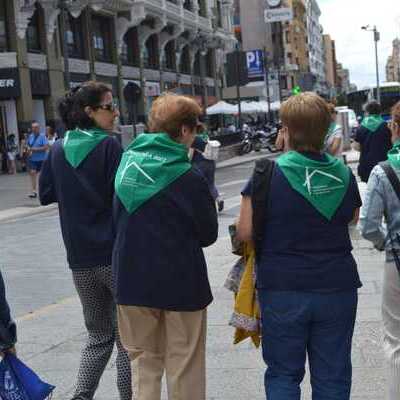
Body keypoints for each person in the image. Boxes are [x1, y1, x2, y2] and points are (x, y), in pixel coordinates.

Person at [237, 92, 362, 400]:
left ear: (287, 129)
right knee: (333, 376)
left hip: (281, 287)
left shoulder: (267, 173)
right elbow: (352, 218)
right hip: (337, 285)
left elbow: (245, 231)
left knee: (283, 374)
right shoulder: (344, 174)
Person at [113, 93, 218, 400]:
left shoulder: (125, 164)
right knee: (184, 366)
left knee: (144, 367)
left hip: (131, 281)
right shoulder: (188, 175)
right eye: (196, 128)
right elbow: (208, 234)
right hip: (181, 284)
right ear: (184, 131)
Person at [39, 81, 132, 400]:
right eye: (109, 106)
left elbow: (45, 194)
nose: (115, 112)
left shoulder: (58, 148)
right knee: (127, 340)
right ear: (89, 112)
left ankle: (81, 395)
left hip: (79, 259)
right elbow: (123, 196)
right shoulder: (109, 146)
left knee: (98, 336)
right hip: (114, 256)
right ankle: (128, 396)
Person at [359, 101, 400, 400]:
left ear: (395, 128)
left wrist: (386, 242)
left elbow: (369, 226)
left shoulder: (384, 172)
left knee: (397, 340)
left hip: (397, 261)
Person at [353, 100, 392, 182]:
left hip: (367, 167)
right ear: (379, 112)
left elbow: (356, 147)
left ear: (367, 112)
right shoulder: (387, 126)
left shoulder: (361, 127)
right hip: (385, 166)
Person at [191, 134, 224, 212]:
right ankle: (219, 199)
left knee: (197, 185)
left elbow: (190, 155)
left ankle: (202, 205)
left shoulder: (193, 138)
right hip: (211, 163)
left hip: (199, 164)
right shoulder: (205, 136)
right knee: (210, 184)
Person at [26, 121, 49, 198]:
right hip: (32, 159)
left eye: (36, 127)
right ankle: (34, 191)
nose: (34, 129)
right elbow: (28, 146)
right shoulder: (30, 136)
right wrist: (27, 150)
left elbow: (46, 147)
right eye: (33, 127)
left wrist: (34, 149)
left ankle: (43, 190)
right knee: (33, 173)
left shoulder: (43, 136)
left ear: (39, 128)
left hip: (42, 159)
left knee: (42, 176)